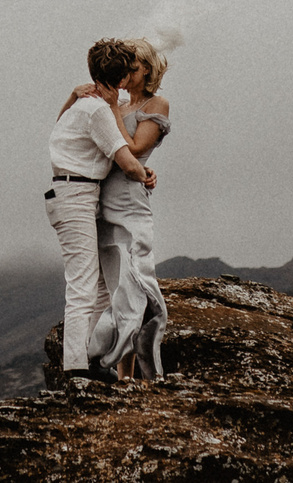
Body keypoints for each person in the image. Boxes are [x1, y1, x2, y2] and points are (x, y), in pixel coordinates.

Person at [44, 38, 156, 380]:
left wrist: (71, 95)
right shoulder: (98, 111)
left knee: (101, 288)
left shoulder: (84, 104)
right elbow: (127, 161)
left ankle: (89, 359)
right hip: (76, 195)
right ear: (121, 78)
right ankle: (76, 369)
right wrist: (146, 175)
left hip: (73, 193)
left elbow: (60, 126)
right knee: (83, 284)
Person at [87, 38, 171, 379]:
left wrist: (111, 110)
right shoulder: (116, 104)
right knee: (115, 287)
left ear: (147, 69)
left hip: (130, 201)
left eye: (133, 69)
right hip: (102, 200)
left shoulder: (157, 104)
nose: (126, 75)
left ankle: (149, 371)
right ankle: (124, 377)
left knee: (137, 281)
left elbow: (134, 149)